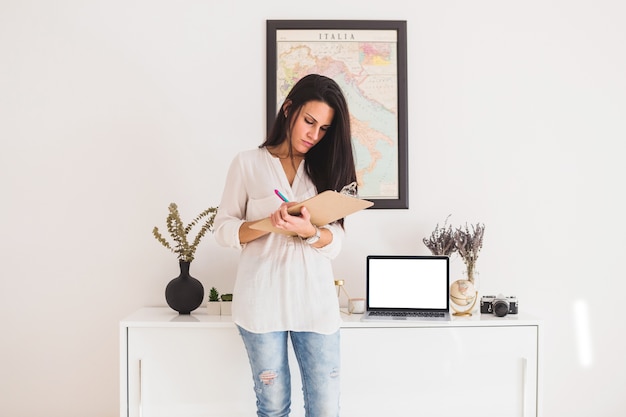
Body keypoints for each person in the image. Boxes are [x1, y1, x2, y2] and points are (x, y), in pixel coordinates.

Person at [213, 73, 357, 417]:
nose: (314, 134)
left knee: (324, 410)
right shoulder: (247, 163)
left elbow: (335, 243)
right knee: (273, 408)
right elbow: (223, 229)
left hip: (315, 305)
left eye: (323, 129)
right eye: (309, 122)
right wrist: (266, 224)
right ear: (289, 109)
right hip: (261, 304)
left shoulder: (326, 168)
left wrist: (309, 231)